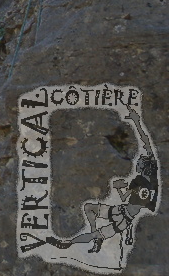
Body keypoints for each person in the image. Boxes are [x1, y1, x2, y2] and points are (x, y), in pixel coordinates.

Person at [45, 104, 159, 254]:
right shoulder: (142, 179)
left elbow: (138, 205)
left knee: (94, 231)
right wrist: (136, 122)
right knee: (89, 208)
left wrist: (129, 230)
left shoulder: (145, 183)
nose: (138, 164)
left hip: (123, 220)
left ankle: (69, 243)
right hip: (120, 211)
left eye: (141, 165)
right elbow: (145, 142)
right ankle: (93, 235)